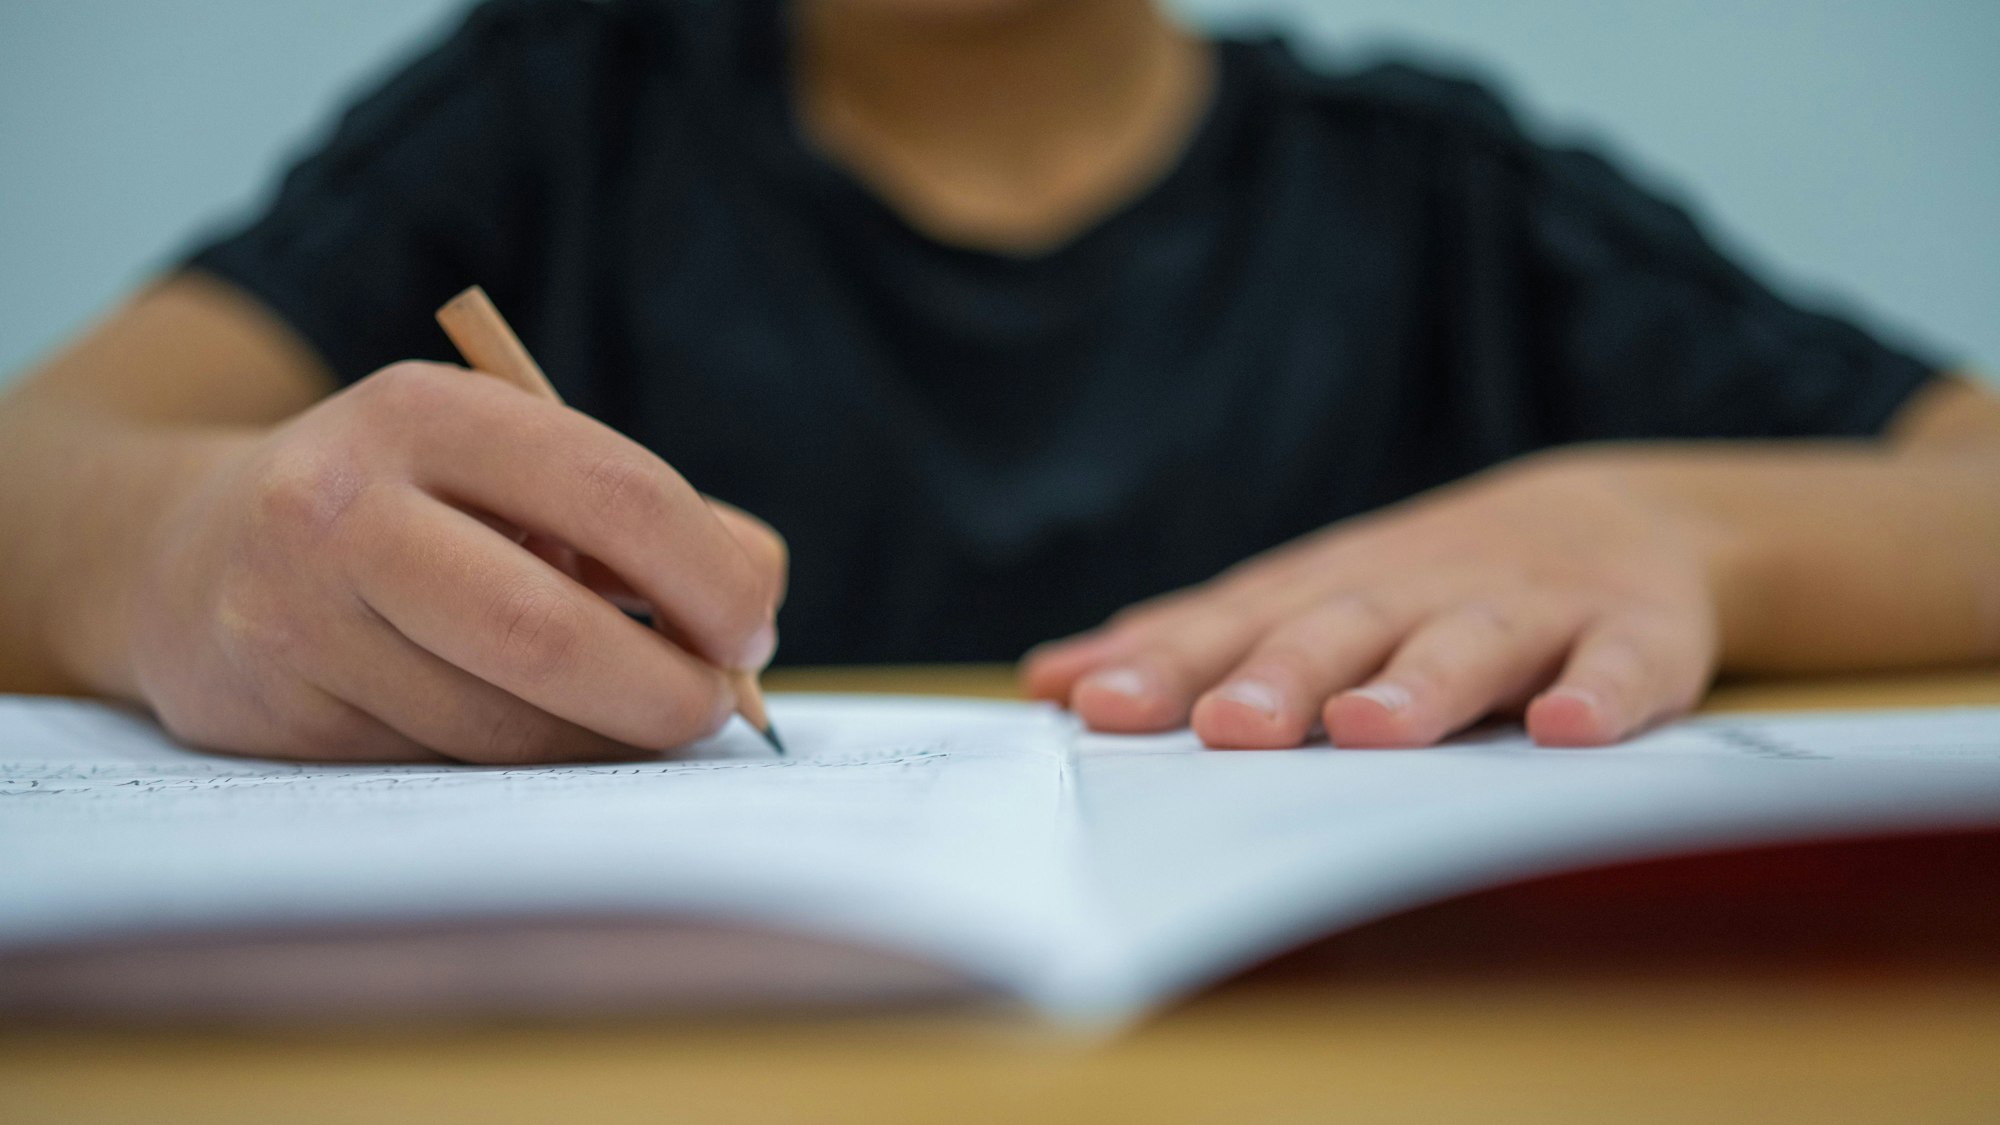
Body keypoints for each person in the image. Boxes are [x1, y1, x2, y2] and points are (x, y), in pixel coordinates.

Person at [1, 0, 1996, 764]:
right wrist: (179, 545)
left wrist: (1687, 530)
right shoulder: (548, 114)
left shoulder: (1448, 202)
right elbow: (38, 474)